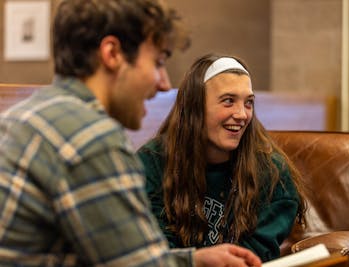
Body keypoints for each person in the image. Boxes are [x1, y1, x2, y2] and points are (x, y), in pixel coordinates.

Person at [0, 1, 262, 266]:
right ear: (112, 54)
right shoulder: (92, 138)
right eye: (157, 63)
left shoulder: (21, 117)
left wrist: (193, 260)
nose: (164, 83)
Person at [137, 53, 306, 262]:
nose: (242, 114)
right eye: (228, 101)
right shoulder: (153, 162)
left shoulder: (272, 175)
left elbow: (250, 258)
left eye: (248, 103)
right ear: (195, 107)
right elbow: (156, 252)